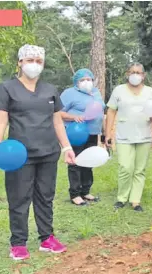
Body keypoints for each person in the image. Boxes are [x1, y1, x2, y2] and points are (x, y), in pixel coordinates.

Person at [0, 44, 76, 260]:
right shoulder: (6, 88)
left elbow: (57, 120)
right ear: (20, 62)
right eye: (29, 60)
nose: (34, 65)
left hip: (48, 152)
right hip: (19, 154)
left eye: (38, 61)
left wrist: (66, 146)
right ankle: (18, 243)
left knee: (45, 196)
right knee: (19, 198)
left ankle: (47, 238)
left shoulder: (49, 90)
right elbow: (1, 120)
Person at [105, 62, 152, 212]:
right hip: (124, 135)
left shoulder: (149, 92)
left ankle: (136, 200)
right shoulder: (119, 90)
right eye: (132, 72)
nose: (135, 75)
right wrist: (108, 133)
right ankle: (122, 198)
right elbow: (111, 111)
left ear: (143, 76)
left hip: (144, 135)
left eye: (138, 72)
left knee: (140, 169)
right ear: (127, 74)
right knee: (125, 167)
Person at [60, 68, 105, 206]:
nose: (86, 82)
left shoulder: (96, 93)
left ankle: (86, 191)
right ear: (76, 82)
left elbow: (100, 111)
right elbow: (58, 114)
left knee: (88, 162)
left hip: (93, 133)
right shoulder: (69, 94)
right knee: (76, 162)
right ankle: (75, 193)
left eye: (89, 79)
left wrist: (103, 134)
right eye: (82, 80)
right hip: (77, 133)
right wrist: (74, 117)